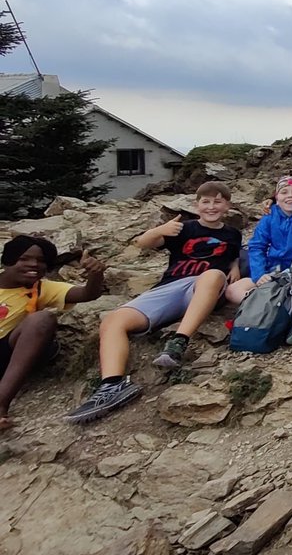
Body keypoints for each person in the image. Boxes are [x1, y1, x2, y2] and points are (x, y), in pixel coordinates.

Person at [66, 182, 242, 423]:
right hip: (170, 285)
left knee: (212, 275)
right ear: (196, 204)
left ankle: (179, 341)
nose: (211, 207)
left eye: (218, 201)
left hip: (206, 285)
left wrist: (234, 267)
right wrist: (161, 229)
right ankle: (112, 385)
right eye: (206, 201)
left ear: (227, 205)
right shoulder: (184, 228)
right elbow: (143, 243)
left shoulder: (232, 233)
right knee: (113, 321)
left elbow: (232, 254)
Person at [0, 237, 105, 430]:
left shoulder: (42, 288)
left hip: (6, 350)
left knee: (41, 319)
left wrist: (96, 274)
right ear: (7, 261)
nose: (34, 264)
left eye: (41, 261)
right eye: (24, 258)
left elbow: (87, 294)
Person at [226, 175, 292, 345]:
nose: (290, 195)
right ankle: (285, 312)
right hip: (275, 271)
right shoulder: (269, 217)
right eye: (284, 192)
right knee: (233, 291)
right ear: (276, 199)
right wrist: (259, 274)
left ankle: (271, 310)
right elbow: (257, 246)